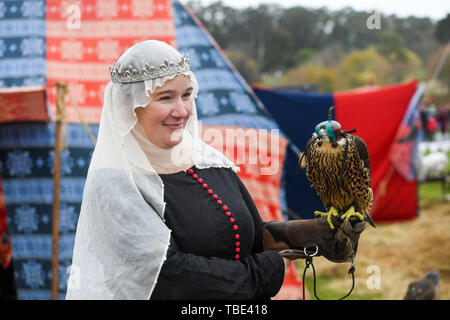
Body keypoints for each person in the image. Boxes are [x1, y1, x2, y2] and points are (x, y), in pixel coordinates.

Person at [66, 40, 366, 300]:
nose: (182, 110)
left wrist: (305, 235)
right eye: (165, 97)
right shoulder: (117, 182)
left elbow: (249, 234)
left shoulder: (209, 161)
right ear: (129, 107)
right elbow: (169, 275)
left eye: (186, 95)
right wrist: (263, 272)